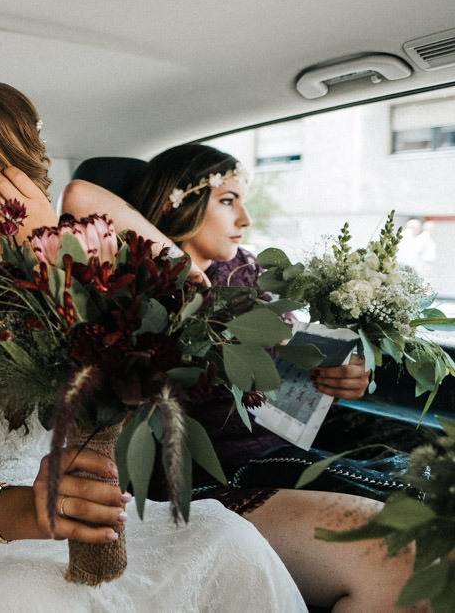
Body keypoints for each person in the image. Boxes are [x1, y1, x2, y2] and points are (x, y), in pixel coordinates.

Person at [0, 83, 307, 612]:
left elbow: (190, 284)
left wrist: (50, 252)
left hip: (73, 512)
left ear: (12, 179)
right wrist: (29, 512)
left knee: (231, 543)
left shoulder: (74, 276)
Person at [62, 143, 424, 611]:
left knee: (431, 517)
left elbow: (288, 359)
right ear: (181, 204)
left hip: (282, 457)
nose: (245, 218)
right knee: (394, 544)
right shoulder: (129, 282)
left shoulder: (247, 270)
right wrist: (180, 267)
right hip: (199, 485)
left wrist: (343, 375)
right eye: (228, 200)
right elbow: (78, 195)